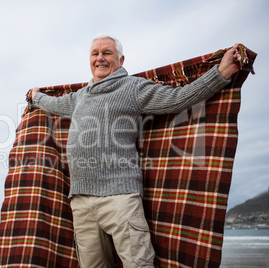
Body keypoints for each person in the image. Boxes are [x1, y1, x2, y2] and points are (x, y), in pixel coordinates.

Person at [31, 34, 240, 268]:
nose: (100, 58)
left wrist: (220, 74)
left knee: (138, 264)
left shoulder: (132, 87)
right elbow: (54, 105)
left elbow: (178, 99)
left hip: (120, 198)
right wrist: (36, 97)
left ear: (121, 59)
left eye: (107, 53)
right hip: (81, 202)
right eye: (95, 53)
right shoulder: (81, 96)